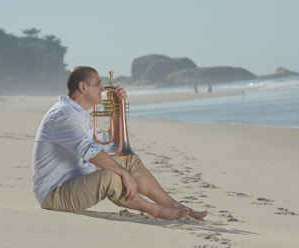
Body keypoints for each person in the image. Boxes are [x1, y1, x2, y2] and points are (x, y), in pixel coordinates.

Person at [32, 66, 207, 221]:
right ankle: (158, 211)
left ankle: (176, 206)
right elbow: (90, 150)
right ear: (83, 87)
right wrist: (124, 174)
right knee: (112, 175)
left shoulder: (77, 114)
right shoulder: (63, 115)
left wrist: (116, 109)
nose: (102, 88)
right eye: (98, 83)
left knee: (128, 159)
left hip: (76, 180)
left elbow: (111, 144)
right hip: (56, 194)